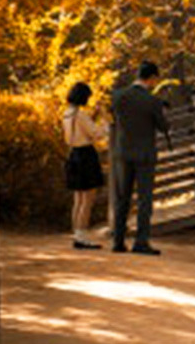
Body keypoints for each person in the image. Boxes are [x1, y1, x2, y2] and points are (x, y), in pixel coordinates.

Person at [111, 61, 170, 255]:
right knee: (145, 199)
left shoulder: (118, 96)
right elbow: (163, 127)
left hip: (123, 152)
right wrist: (163, 111)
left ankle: (118, 241)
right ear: (152, 77)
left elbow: (114, 119)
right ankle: (141, 242)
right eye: (155, 79)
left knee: (122, 198)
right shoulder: (152, 101)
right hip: (144, 154)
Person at [63, 83, 107, 249]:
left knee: (78, 199)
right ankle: (82, 237)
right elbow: (96, 134)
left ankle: (77, 234)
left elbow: (81, 129)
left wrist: (92, 116)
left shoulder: (67, 113)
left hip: (73, 154)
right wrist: (103, 119)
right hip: (86, 155)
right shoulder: (80, 115)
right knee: (88, 199)